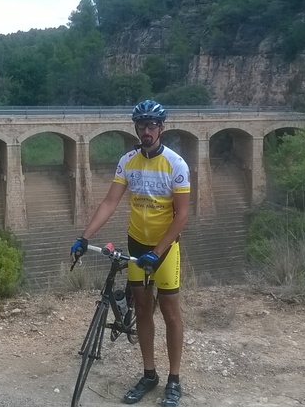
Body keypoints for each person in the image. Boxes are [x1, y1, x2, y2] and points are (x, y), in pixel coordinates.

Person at [71, 99, 190, 407]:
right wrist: (85, 237)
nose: (146, 131)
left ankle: (174, 379)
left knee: (171, 312)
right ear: (136, 128)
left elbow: (182, 215)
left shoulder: (176, 164)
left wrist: (159, 250)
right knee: (141, 308)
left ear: (161, 128)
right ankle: (149, 374)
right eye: (141, 126)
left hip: (164, 249)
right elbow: (110, 202)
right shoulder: (128, 161)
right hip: (137, 244)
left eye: (152, 125)